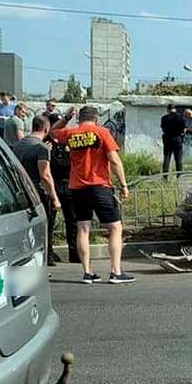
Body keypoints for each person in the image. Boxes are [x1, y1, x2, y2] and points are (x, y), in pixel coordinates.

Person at [51, 106, 135, 285]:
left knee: (83, 228)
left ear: (79, 119)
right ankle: (116, 272)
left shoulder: (71, 133)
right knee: (114, 228)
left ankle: (88, 273)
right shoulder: (102, 132)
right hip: (99, 186)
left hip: (76, 187)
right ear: (96, 119)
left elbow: (53, 131)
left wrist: (66, 117)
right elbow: (114, 160)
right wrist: (124, 185)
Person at [13, 116, 61, 266]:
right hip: (38, 192)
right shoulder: (42, 147)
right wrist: (54, 197)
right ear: (46, 129)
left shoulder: (19, 144)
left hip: (21, 190)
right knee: (46, 225)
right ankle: (47, 256)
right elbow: (45, 175)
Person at [48, 112, 79, 263]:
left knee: (72, 221)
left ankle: (74, 252)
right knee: (50, 221)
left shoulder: (67, 143)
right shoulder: (46, 144)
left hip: (68, 184)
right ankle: (49, 253)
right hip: (53, 185)